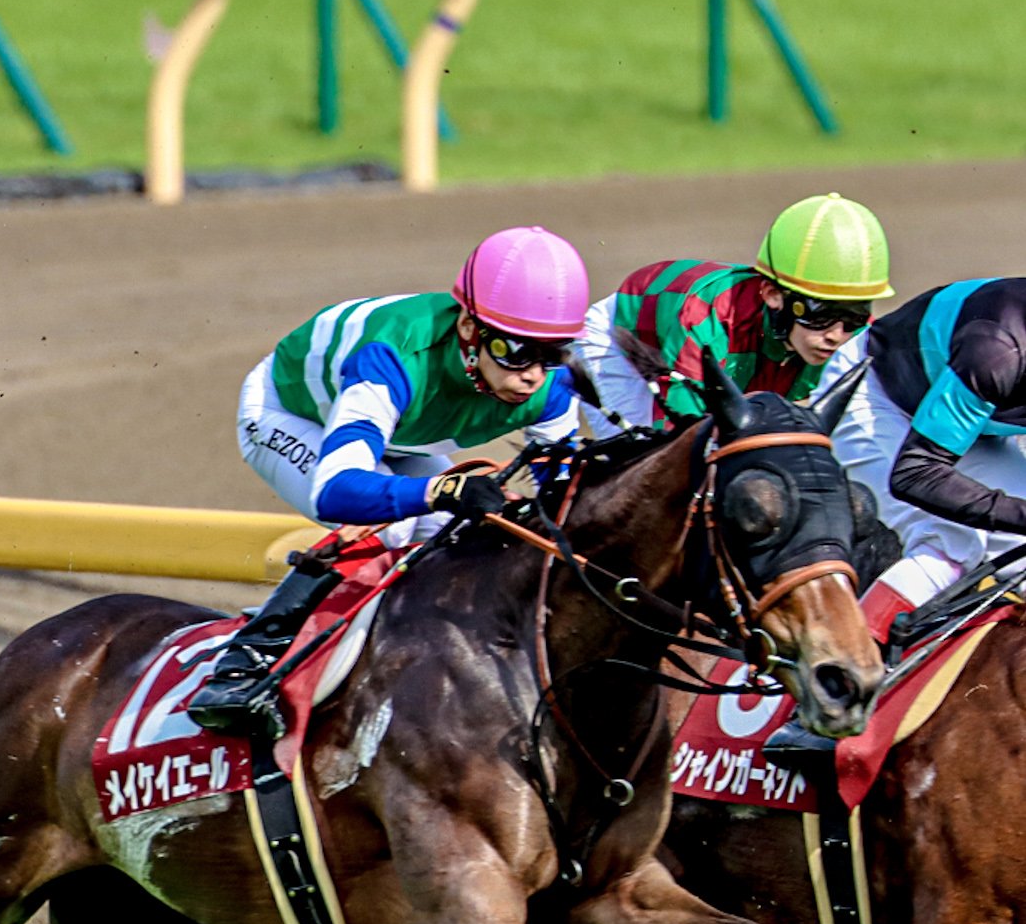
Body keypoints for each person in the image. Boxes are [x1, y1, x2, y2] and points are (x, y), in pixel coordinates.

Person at [188, 224, 591, 739]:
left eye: (552, 352)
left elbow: (563, 500)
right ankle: (244, 664)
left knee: (471, 532)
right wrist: (440, 491)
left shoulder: (552, 386)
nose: (534, 374)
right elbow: (338, 491)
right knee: (395, 526)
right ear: (469, 328)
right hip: (290, 417)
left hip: (402, 436)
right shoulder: (393, 356)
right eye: (516, 351)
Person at [814, 276, 1026, 644]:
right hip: (876, 396)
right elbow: (914, 473)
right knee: (951, 540)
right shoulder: (997, 351)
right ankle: (837, 668)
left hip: (969, 422)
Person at [576, 192, 892, 435]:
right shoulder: (707, 320)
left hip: (737, 345)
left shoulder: (855, 337)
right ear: (773, 295)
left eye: (853, 318)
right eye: (820, 315)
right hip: (625, 343)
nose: (836, 336)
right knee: (647, 457)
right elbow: (681, 432)